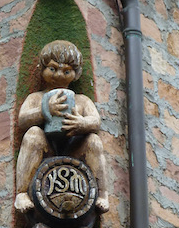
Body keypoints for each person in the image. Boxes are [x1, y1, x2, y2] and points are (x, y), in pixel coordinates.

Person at [14, 40, 109, 214]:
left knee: (94, 141)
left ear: (76, 73)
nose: (59, 75)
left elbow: (95, 121)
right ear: (42, 69)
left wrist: (82, 124)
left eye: (66, 71)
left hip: (73, 150)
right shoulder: (37, 97)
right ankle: (21, 192)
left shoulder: (82, 100)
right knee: (33, 134)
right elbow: (23, 120)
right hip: (47, 149)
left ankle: (102, 193)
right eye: (52, 68)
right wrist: (44, 110)